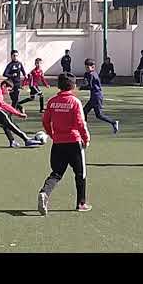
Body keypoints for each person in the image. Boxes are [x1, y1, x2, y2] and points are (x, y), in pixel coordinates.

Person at [37, 72, 92, 215]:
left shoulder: (52, 101)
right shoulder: (75, 102)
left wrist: (51, 134)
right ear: (73, 86)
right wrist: (86, 139)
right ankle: (81, 203)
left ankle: (44, 192)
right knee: (80, 174)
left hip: (58, 143)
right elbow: (80, 123)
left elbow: (45, 121)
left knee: (56, 173)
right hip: (73, 142)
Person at [80, 58, 119, 134]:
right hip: (93, 96)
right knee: (84, 111)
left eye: (88, 67)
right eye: (86, 67)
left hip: (97, 96)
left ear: (93, 67)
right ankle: (83, 127)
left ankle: (113, 122)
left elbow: (90, 86)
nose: (87, 69)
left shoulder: (92, 75)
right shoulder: (89, 74)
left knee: (99, 115)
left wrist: (82, 87)